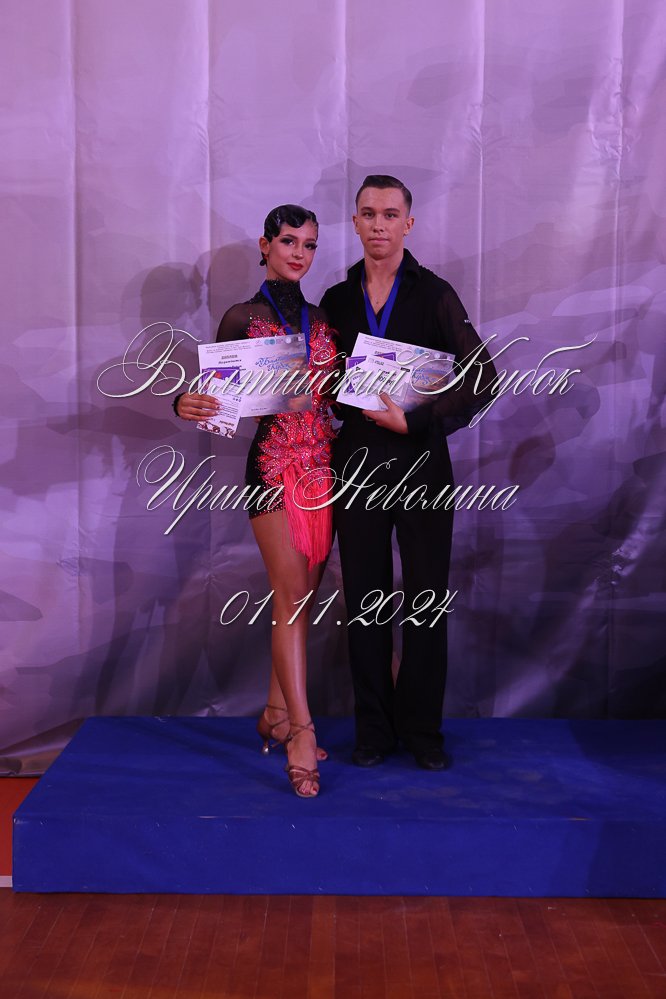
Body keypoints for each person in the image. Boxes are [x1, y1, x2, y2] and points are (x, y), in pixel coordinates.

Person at [320, 175, 497, 771]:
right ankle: (373, 731)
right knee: (365, 600)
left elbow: (483, 377)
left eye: (390, 214)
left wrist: (416, 419)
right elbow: (322, 383)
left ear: (408, 224)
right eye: (368, 213)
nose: (379, 224)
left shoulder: (436, 294)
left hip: (422, 465)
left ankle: (422, 732)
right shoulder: (336, 300)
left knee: (425, 601)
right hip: (357, 466)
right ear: (355, 222)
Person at [176, 205, 337, 797]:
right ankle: (302, 732)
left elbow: (336, 399)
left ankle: (273, 712)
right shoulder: (241, 317)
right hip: (273, 468)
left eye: (310, 245)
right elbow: (212, 400)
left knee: (303, 600)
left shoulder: (325, 318)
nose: (300, 254)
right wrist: (183, 402)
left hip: (323, 473)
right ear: (266, 246)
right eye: (289, 242)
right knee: (291, 600)